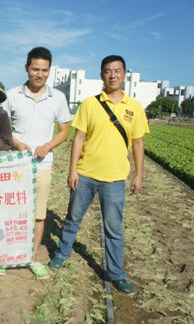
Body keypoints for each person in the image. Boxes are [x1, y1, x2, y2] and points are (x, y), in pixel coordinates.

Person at [49, 55, 149, 296]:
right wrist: (73, 170)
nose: (112, 75)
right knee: (72, 219)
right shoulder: (89, 104)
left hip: (115, 178)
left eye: (117, 70)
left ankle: (117, 275)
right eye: (107, 71)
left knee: (113, 228)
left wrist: (138, 175)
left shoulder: (134, 107)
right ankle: (62, 254)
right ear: (102, 75)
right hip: (85, 174)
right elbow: (79, 139)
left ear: (125, 74)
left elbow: (137, 143)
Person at [1, 47, 71, 279]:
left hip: (43, 165)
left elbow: (64, 131)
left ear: (49, 70)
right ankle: (4, 256)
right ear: (26, 68)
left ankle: (31, 258)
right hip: (14, 165)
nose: (39, 74)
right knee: (10, 211)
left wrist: (48, 145)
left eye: (44, 70)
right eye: (35, 69)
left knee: (38, 214)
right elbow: (2, 129)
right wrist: (18, 143)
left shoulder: (58, 97)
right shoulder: (11, 95)